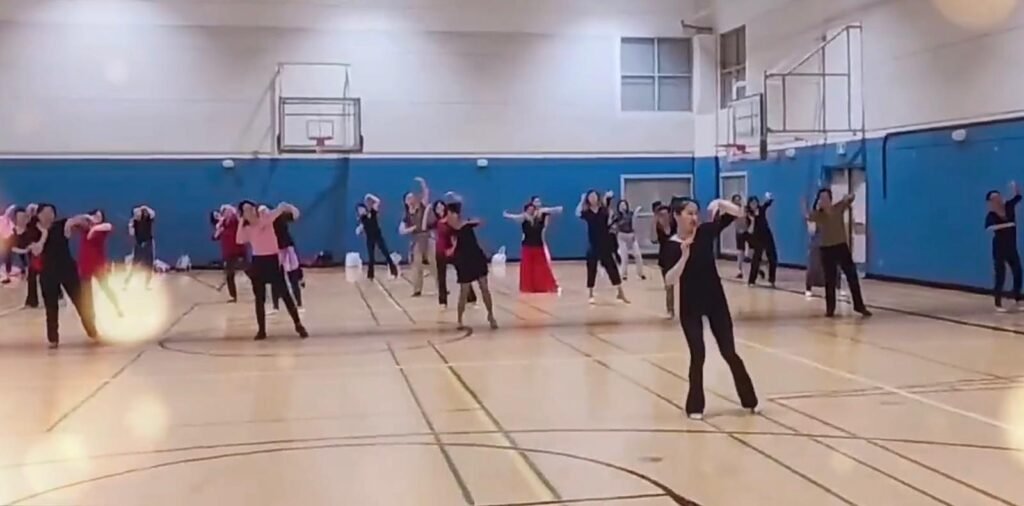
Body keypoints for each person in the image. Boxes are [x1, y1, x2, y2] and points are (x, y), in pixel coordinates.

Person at [664, 198, 758, 419]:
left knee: (729, 352)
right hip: (690, 306)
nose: (694, 217)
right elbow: (669, 279)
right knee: (698, 354)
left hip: (716, 302)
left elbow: (738, 213)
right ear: (676, 215)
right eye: (689, 213)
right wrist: (684, 256)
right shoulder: (670, 245)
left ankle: (749, 399)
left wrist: (720, 202)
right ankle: (695, 406)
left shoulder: (705, 233)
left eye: (696, 213)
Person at [26, 204, 99, 348]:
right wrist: (44, 234)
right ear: (38, 215)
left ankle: (93, 332)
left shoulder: (61, 225)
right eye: (45, 212)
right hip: (48, 273)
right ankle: (53, 339)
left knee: (81, 302)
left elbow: (73, 221)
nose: (49, 215)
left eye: (51, 212)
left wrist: (85, 218)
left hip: (67, 270)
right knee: (51, 307)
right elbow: (36, 251)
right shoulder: (33, 232)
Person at [236, 201, 308, 340]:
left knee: (285, 294)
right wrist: (240, 221)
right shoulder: (248, 229)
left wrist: (285, 206)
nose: (251, 211)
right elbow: (239, 239)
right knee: (259, 298)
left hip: (272, 261)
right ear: (243, 214)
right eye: (246, 210)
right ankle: (261, 330)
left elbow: (278, 210)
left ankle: (298, 324)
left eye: (251, 208)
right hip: (258, 262)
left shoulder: (265, 219)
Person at [808, 189, 871, 318]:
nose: (823, 200)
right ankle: (830, 309)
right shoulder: (818, 215)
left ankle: (859, 305)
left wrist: (848, 197)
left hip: (841, 247)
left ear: (830, 199)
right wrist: (806, 205)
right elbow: (808, 216)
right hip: (826, 250)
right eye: (821, 198)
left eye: (825, 197)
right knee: (830, 280)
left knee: (852, 276)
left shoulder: (838, 208)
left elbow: (851, 198)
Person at [445, 201, 497, 330]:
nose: (449, 216)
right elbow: (451, 246)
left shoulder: (467, 224)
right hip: (463, 261)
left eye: (450, 213)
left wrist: (470, 221)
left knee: (484, 288)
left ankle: (491, 315)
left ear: (455, 214)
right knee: (464, 291)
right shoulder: (449, 229)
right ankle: (459, 319)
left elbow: (481, 221)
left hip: (476, 258)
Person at [576, 190, 629, 304]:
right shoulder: (587, 212)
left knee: (612, 267)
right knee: (591, 268)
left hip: (605, 243)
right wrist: (581, 200)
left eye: (594, 196)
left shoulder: (603, 210)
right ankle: (590, 294)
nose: (593, 198)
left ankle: (620, 292)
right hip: (593, 244)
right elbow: (578, 213)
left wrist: (608, 198)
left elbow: (610, 216)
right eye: (590, 196)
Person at [504, 203, 560, 293]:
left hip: (538, 246)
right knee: (527, 268)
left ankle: (542, 286)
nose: (531, 211)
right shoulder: (524, 218)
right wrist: (507, 215)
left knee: (541, 268)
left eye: (532, 209)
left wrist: (555, 208)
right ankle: (528, 287)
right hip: (527, 247)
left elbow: (553, 210)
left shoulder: (540, 216)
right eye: (529, 209)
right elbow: (515, 217)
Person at [77, 209, 123, 318]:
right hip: (85, 263)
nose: (96, 218)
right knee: (86, 292)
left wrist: (94, 229)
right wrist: (87, 217)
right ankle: (89, 314)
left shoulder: (102, 229)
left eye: (99, 216)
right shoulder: (84, 227)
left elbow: (109, 226)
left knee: (106, 288)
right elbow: (75, 220)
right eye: (94, 215)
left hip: (98, 264)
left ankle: (117, 308)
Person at [985, 181, 1023, 312]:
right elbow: (989, 228)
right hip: (999, 248)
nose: (998, 200)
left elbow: (1018, 197)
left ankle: (1017, 299)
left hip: (1011, 247)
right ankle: (998, 304)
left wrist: (1016, 188)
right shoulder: (991, 215)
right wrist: (1006, 225)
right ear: (990, 202)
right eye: (994, 199)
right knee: (1000, 275)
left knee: (1018, 272)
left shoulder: (1009, 207)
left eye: (999, 197)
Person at [432, 200, 476, 307]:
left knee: (463, 273)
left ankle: (471, 297)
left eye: (441, 206)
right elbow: (424, 227)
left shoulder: (452, 221)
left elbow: (456, 236)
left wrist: (452, 249)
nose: (440, 209)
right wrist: (427, 209)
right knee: (441, 277)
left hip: (452, 251)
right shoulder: (436, 222)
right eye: (437, 208)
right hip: (440, 251)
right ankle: (443, 301)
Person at [399, 177, 433, 297]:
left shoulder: (422, 206)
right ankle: (417, 289)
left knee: (434, 264)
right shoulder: (406, 215)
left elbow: (426, 193)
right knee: (417, 265)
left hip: (427, 238)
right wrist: (412, 228)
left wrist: (422, 183)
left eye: (412, 197)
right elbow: (401, 231)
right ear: (405, 201)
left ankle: (441, 288)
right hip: (417, 241)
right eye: (408, 198)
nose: (411, 199)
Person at [355, 194, 399, 280]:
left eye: (361, 209)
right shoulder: (362, 219)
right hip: (370, 239)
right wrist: (359, 229)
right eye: (359, 210)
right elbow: (359, 229)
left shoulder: (372, 212)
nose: (360, 211)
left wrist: (369, 196)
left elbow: (378, 201)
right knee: (371, 258)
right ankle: (370, 275)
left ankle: (394, 270)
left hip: (378, 236)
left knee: (386, 253)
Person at [271, 205, 305, 314]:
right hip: (275, 250)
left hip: (287, 248)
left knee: (293, 277)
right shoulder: (264, 221)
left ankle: (299, 304)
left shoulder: (280, 217)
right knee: (275, 278)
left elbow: (296, 215)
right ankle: (275, 306)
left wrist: (288, 206)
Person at [212, 205, 246, 303]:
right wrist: (218, 229)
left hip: (239, 251)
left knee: (249, 272)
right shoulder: (222, 224)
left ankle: (259, 291)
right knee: (229, 275)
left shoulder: (235, 221)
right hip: (228, 253)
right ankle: (233, 296)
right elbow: (215, 237)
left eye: (226, 211)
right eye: (223, 212)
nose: (225, 213)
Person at [11, 207, 42, 308]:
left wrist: (38, 245)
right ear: (15, 219)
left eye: (23, 216)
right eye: (19, 217)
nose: (21, 219)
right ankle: (32, 302)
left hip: (43, 254)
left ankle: (58, 293)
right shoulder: (14, 232)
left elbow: (34, 208)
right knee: (32, 278)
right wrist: (26, 250)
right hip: (31, 258)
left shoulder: (33, 226)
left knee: (47, 277)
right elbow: (12, 248)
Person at [652, 202, 679, 319]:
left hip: (676, 256)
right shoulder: (658, 228)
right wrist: (654, 222)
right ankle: (670, 310)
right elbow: (653, 239)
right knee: (668, 285)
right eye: (661, 215)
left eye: (665, 214)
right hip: (664, 257)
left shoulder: (675, 226)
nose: (664, 217)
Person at [746, 193, 778, 288]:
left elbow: (767, 203)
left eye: (755, 202)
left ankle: (772, 280)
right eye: (752, 203)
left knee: (773, 257)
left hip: (767, 235)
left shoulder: (761, 209)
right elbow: (750, 231)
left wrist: (769, 198)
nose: (754, 205)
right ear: (749, 205)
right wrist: (753, 220)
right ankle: (751, 280)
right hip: (757, 237)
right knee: (756, 258)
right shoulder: (748, 215)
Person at [613, 200, 646, 281]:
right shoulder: (617, 216)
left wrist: (637, 211)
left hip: (631, 236)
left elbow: (634, 223)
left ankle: (640, 273)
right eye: (621, 205)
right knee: (624, 257)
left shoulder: (630, 214)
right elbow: (616, 225)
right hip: (622, 236)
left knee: (637, 255)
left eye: (624, 205)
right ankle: (623, 274)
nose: (622, 207)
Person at [124, 205, 156, 289]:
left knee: (149, 265)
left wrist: (144, 207)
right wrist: (131, 225)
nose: (140, 214)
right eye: (138, 213)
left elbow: (153, 213)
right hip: (139, 244)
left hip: (148, 243)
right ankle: (127, 282)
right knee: (134, 264)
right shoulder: (134, 222)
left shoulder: (149, 219)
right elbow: (131, 233)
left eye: (143, 212)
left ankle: (147, 284)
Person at [730, 194, 749, 279]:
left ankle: (757, 268)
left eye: (739, 199)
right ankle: (739, 270)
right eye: (736, 200)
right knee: (740, 251)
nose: (738, 201)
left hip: (748, 231)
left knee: (752, 250)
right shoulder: (732, 211)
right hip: (739, 232)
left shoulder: (745, 209)